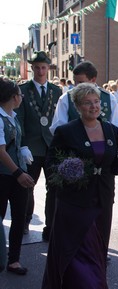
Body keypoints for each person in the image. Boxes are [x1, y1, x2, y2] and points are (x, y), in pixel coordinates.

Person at [42, 83, 118, 288]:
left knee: (99, 248)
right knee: (78, 249)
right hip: (75, 201)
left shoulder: (110, 129)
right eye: (87, 103)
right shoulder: (66, 131)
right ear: (78, 107)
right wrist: (67, 170)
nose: (93, 106)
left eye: (96, 102)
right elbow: (51, 162)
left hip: (103, 197)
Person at [16, 51, 62, 240]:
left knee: (54, 188)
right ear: (32, 68)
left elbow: (59, 119)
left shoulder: (56, 90)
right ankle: (26, 220)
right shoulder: (23, 90)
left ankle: (50, 226)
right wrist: (23, 145)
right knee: (28, 186)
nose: (41, 71)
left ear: (48, 68)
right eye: (37, 67)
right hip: (32, 146)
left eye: (44, 67)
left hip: (51, 145)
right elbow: (19, 119)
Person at [0, 77, 35, 275]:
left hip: (17, 173)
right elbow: (1, 151)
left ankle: (14, 260)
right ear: (14, 97)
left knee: (19, 217)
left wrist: (23, 150)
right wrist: (18, 173)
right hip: (4, 175)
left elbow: (15, 141)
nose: (21, 97)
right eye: (20, 94)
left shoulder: (12, 115)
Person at [49, 61, 118, 135]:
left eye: (81, 82)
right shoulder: (65, 98)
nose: (77, 86)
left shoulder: (109, 98)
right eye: (75, 82)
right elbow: (57, 127)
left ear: (93, 80)